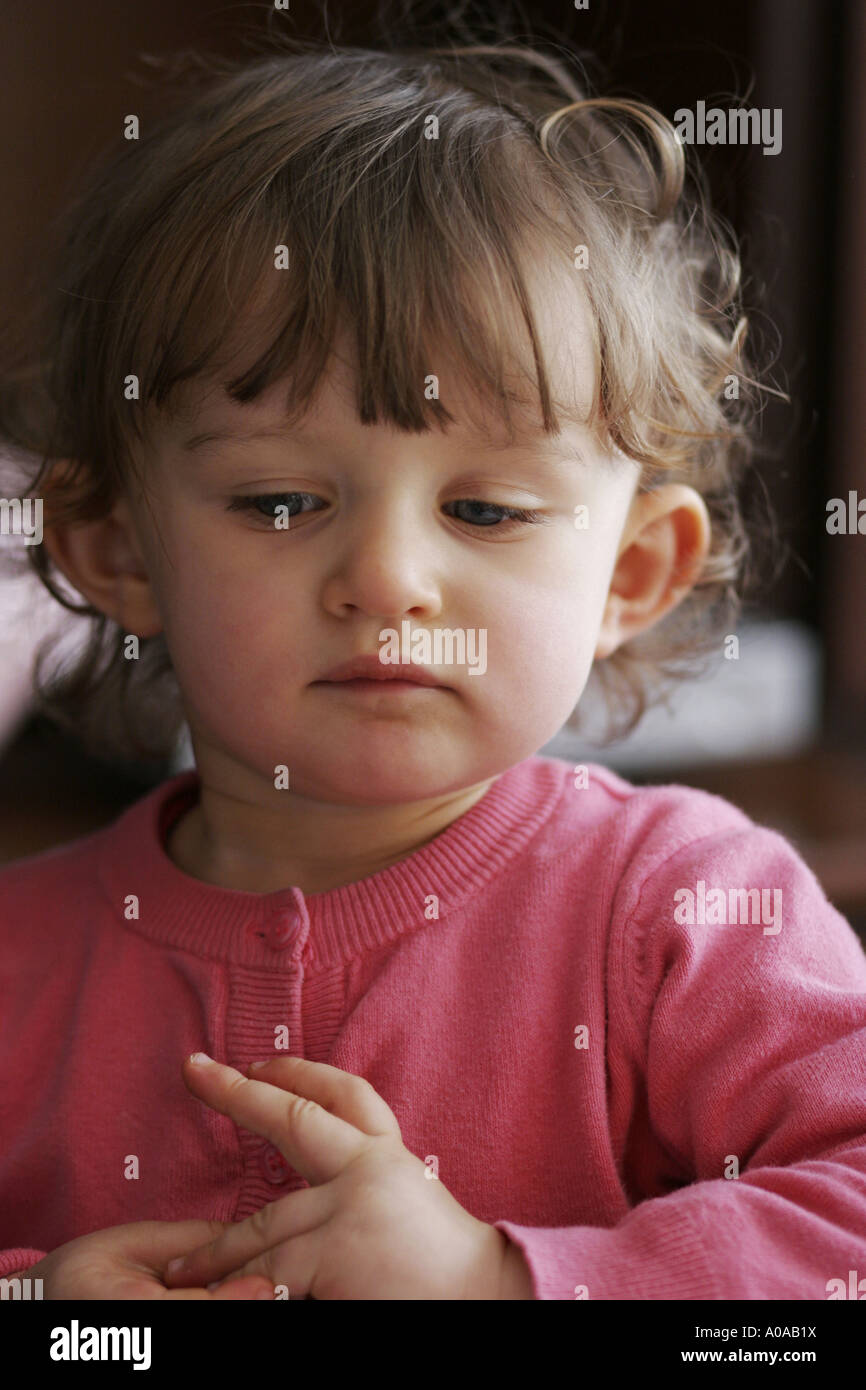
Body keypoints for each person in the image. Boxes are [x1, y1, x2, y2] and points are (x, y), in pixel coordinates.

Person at [0, 30, 864, 1302]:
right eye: (283, 501)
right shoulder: (22, 953)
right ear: (118, 550)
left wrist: (495, 1281)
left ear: (630, 575)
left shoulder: (685, 913)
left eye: (489, 512)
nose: (388, 580)